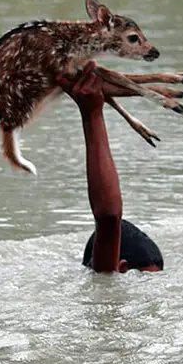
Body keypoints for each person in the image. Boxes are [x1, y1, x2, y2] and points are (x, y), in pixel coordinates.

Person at [56, 61, 164, 273]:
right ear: (121, 267)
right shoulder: (106, 276)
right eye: (146, 279)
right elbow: (108, 218)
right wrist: (92, 114)